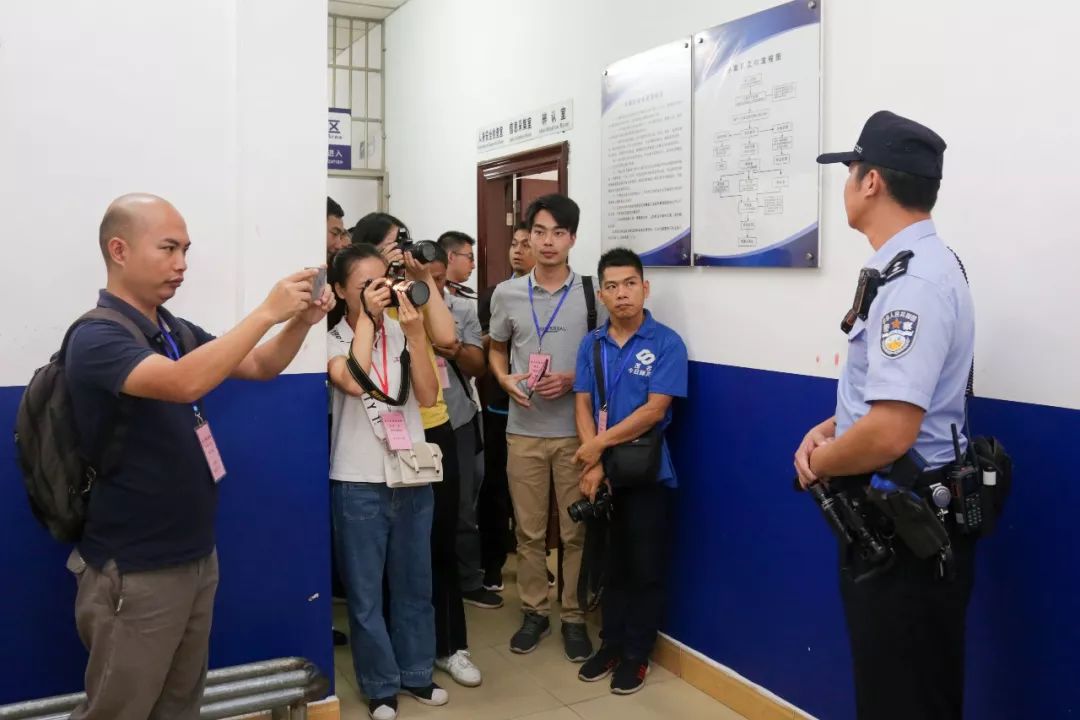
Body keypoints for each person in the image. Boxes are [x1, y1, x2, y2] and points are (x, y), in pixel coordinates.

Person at [65, 193, 334, 720]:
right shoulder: (96, 336)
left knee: (180, 705)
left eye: (185, 249)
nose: (182, 263)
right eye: (168, 248)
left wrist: (298, 321)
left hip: (193, 555)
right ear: (118, 250)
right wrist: (265, 311)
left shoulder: (171, 329)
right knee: (119, 710)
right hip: (136, 568)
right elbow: (183, 383)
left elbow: (260, 366)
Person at [794, 111, 976, 720]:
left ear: (870, 182)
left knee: (903, 699)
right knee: (899, 691)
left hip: (907, 534)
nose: (845, 184)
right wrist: (832, 429)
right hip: (898, 524)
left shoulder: (915, 280)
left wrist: (819, 463)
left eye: (848, 170)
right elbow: (888, 401)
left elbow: (894, 431)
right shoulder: (905, 268)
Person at [351, 213, 481, 688]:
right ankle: (393, 653)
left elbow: (447, 340)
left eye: (403, 243)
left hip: (432, 429)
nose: (402, 251)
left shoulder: (415, 293)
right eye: (392, 245)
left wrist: (424, 280)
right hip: (380, 436)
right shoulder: (361, 303)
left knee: (439, 544)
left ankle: (451, 646)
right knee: (391, 556)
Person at [327, 243, 448, 720]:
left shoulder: (402, 333)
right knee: (365, 594)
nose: (381, 292)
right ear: (340, 290)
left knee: (415, 584)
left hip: (412, 476)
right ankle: (379, 685)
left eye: (386, 281)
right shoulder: (332, 338)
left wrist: (415, 333)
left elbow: (427, 394)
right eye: (366, 286)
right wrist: (367, 322)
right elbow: (354, 382)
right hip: (357, 480)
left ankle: (417, 672)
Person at [489, 194, 607, 661]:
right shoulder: (507, 294)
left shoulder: (592, 293)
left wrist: (574, 379)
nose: (548, 241)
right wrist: (502, 378)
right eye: (540, 232)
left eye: (559, 233)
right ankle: (535, 612)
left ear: (573, 239)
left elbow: (607, 358)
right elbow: (497, 349)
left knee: (576, 532)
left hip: (577, 434)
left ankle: (573, 617)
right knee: (530, 532)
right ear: (528, 236)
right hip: (522, 429)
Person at [571, 248, 688, 695]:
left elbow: (655, 410)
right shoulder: (592, 343)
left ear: (645, 287)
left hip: (646, 474)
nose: (622, 294)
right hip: (602, 474)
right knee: (610, 565)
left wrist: (597, 445)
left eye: (630, 284)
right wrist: (595, 461)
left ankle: (637, 655)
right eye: (613, 286)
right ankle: (611, 644)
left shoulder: (665, 343)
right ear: (601, 294)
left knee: (645, 569)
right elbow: (581, 400)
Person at [426, 244, 503, 614]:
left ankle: (469, 580)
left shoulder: (462, 309)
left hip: (456, 418)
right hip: (411, 424)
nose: (435, 287)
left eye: (440, 279)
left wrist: (452, 348)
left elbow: (477, 367)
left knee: (462, 506)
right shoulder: (396, 309)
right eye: (427, 279)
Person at [476, 221, 534, 592]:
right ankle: (493, 563)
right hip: (500, 405)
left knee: (529, 495)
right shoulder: (496, 294)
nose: (518, 250)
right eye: (514, 243)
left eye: (525, 244)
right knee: (495, 489)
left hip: (539, 408)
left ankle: (534, 565)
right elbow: (485, 345)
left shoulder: (561, 298)